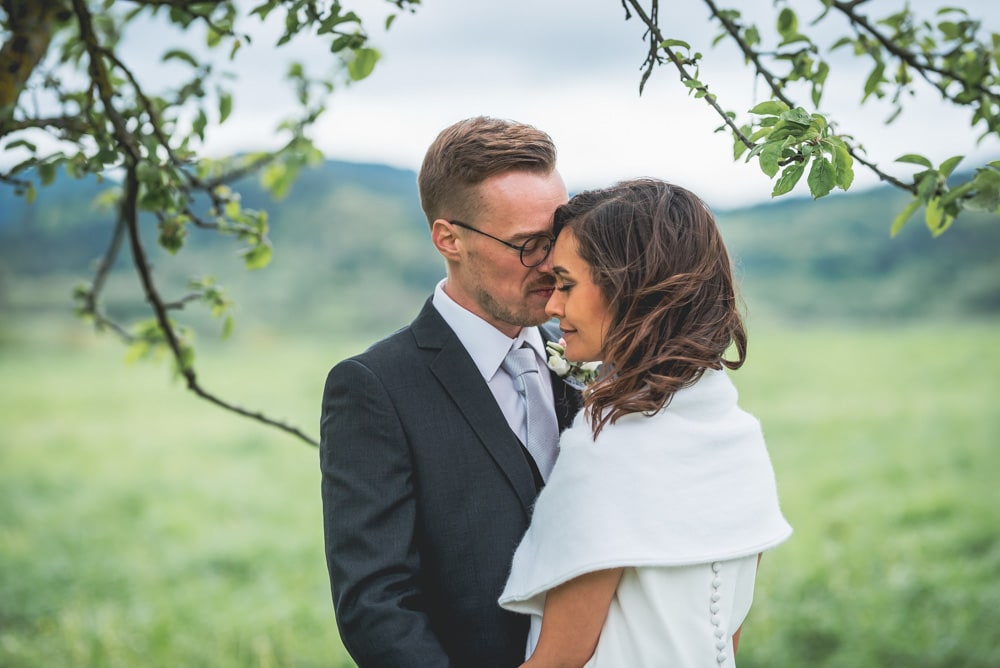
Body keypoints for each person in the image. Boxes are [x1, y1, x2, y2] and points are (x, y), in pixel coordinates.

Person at [319, 116, 581, 667]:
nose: (552, 263)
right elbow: (376, 604)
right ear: (449, 239)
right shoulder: (374, 387)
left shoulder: (591, 351)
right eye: (527, 245)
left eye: (558, 236)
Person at [499, 178, 793, 667]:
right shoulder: (739, 438)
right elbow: (725, 639)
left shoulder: (607, 453)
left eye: (567, 284)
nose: (551, 306)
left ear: (629, 292)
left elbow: (557, 662)